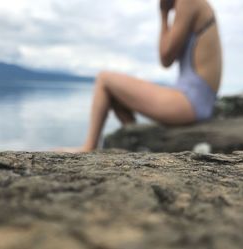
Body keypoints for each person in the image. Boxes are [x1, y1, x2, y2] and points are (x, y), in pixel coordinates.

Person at [57, 0, 222, 153]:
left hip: (190, 102)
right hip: (198, 100)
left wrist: (164, 14)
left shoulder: (187, 1)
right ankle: (138, 142)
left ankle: (89, 147)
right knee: (116, 94)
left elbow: (165, 58)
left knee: (104, 79)